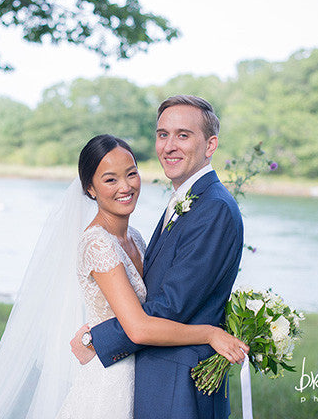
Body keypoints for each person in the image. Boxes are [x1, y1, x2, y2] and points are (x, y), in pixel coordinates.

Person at [0, 132, 246, 419]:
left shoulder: (136, 238)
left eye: (131, 174)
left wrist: (93, 335)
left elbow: (158, 300)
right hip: (112, 381)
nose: (125, 186)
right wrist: (210, 333)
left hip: (144, 373)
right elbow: (139, 328)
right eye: (110, 179)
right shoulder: (98, 244)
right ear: (91, 189)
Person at [70, 96, 245, 419]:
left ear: (210, 145)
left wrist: (98, 336)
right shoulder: (185, 202)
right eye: (163, 134)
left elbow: (172, 305)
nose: (169, 146)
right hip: (142, 378)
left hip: (178, 382)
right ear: (91, 188)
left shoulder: (213, 207)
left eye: (183, 135)